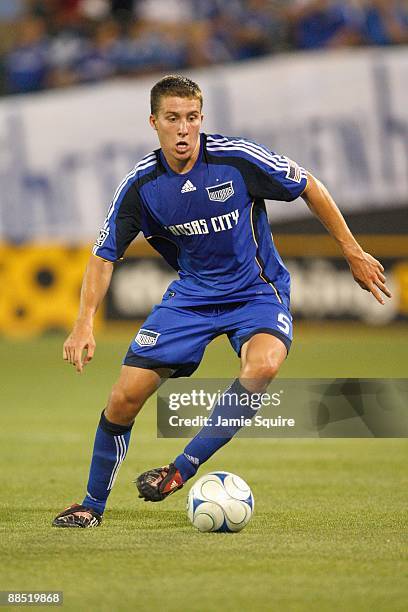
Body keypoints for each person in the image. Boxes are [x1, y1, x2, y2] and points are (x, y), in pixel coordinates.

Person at [53, 74, 391, 528]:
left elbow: (309, 184)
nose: (183, 129)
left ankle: (182, 469)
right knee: (123, 400)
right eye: (172, 119)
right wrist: (84, 323)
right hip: (191, 297)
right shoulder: (142, 186)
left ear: (201, 119)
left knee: (263, 366)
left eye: (191, 118)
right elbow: (104, 255)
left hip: (256, 291)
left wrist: (351, 250)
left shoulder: (236, 159)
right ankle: (91, 506)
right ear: (154, 122)